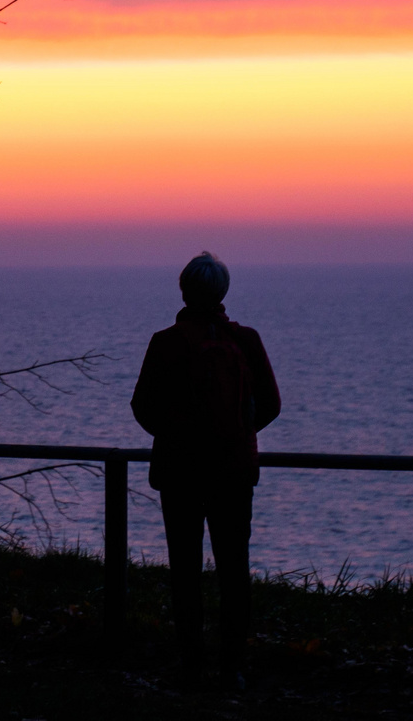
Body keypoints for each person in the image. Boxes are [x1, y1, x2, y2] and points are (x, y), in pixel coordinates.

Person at [131, 251, 281, 690]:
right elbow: (271, 405)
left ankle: (191, 665)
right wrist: (236, 436)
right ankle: (232, 666)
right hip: (234, 472)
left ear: (183, 290)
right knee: (234, 570)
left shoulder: (166, 342)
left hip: (179, 473)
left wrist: (177, 438)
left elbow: (142, 406)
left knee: (185, 569)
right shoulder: (246, 341)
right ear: (223, 292)